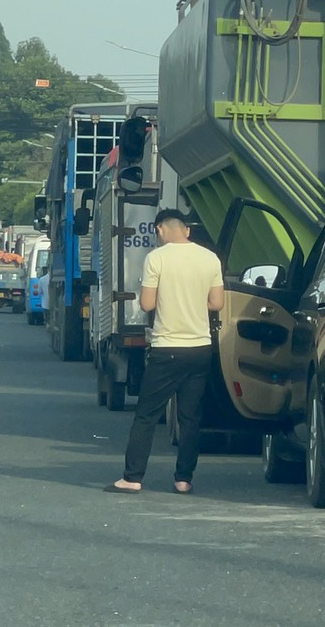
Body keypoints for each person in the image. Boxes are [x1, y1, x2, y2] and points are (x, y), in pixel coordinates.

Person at [110, 209, 224, 496]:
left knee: (147, 415)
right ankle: (184, 479)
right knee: (190, 417)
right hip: (199, 348)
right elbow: (217, 302)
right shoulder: (210, 258)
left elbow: (147, 304)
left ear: (160, 230)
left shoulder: (157, 258)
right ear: (186, 230)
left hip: (167, 348)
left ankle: (133, 477)